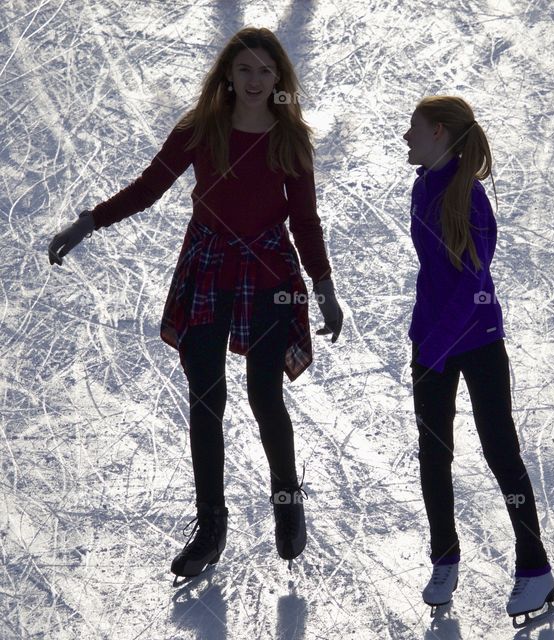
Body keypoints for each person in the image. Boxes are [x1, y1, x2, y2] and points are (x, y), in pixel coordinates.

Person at [47, 27, 343, 577]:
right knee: (206, 399)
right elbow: (148, 187)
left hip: (270, 272)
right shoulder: (200, 130)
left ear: (279, 77)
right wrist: (87, 222)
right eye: (245, 70)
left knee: (264, 395)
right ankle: (211, 526)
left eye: (265, 71)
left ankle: (287, 499)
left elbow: (304, 220)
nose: (255, 81)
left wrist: (323, 287)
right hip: (209, 267)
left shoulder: (290, 139)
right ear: (228, 75)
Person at [402, 96, 554, 618]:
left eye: (414, 128)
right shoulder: (423, 186)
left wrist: (434, 345)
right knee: (433, 454)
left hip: (477, 341)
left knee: (500, 452)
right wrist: (425, 336)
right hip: (431, 341)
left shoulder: (470, 200)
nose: (406, 137)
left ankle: (535, 569)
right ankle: (444, 558)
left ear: (440, 133)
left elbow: (473, 285)